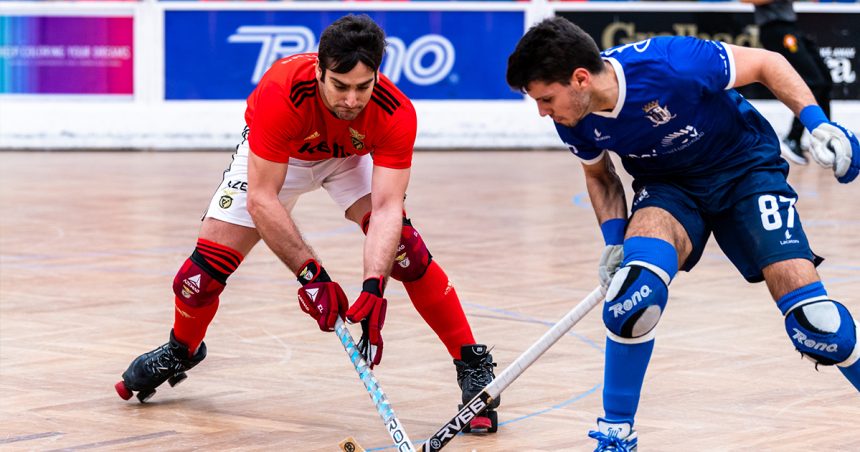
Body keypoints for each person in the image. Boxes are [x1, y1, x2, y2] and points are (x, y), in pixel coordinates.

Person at [115, 14, 500, 431]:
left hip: (348, 159)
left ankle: (472, 364)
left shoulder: (395, 112)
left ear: (378, 77)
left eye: (363, 88)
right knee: (197, 279)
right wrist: (311, 275)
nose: (352, 100)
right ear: (319, 70)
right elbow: (262, 200)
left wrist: (373, 285)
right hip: (279, 160)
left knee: (407, 252)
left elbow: (388, 208)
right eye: (340, 86)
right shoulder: (282, 91)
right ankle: (182, 350)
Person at [506, 17, 859, 451]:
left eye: (546, 98)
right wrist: (616, 241)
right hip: (669, 189)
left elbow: (768, 62)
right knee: (631, 298)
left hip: (745, 172)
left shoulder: (673, 63)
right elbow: (601, 177)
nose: (544, 111)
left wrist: (818, 123)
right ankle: (617, 433)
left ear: (580, 78)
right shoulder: (573, 118)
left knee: (818, 327)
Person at [741, 0, 833, 165]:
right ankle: (793, 138)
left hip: (790, 27)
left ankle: (828, 140)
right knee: (815, 81)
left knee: (825, 80)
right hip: (775, 29)